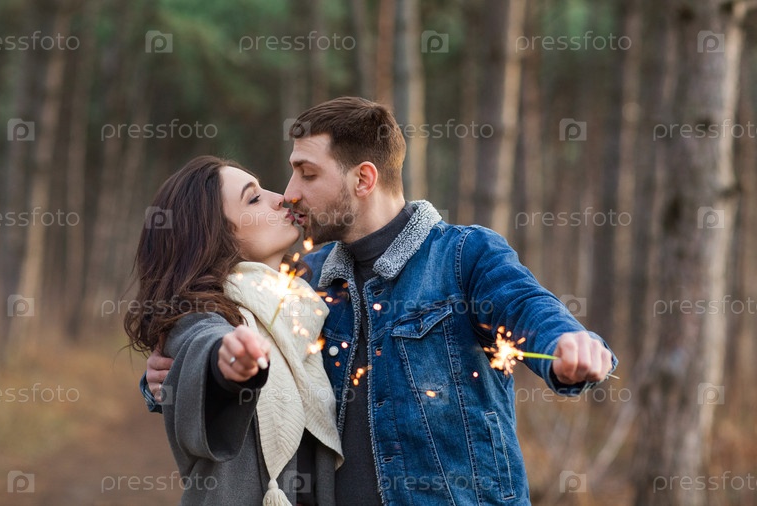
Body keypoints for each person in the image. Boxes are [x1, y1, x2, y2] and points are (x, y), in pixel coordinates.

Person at [145, 97, 617, 505]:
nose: (290, 194)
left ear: (363, 180)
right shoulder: (306, 281)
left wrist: (568, 344)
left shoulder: (463, 256)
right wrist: (169, 378)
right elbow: (226, 326)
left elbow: (528, 307)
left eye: (307, 174)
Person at [126, 156, 343, 506]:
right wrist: (228, 363)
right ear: (215, 238)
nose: (281, 198)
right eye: (253, 198)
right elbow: (204, 343)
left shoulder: (307, 300)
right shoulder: (198, 316)